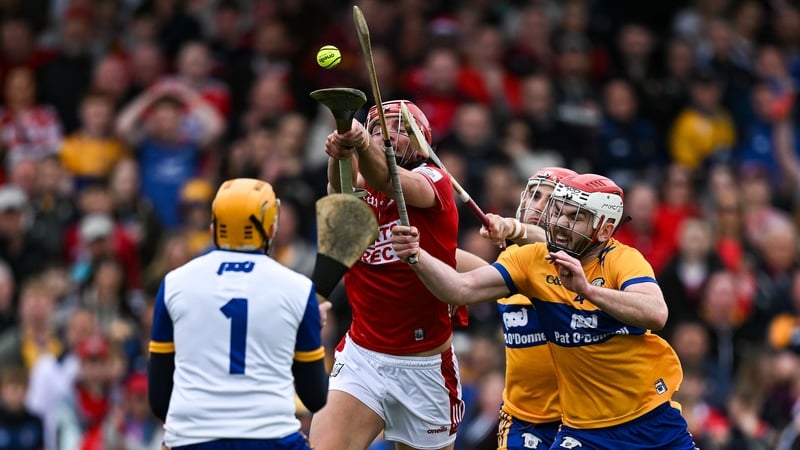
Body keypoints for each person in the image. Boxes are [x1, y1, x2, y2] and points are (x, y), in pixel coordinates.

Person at [391, 173, 698, 449]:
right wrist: (416, 255)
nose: (562, 223)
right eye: (559, 212)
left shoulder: (622, 259)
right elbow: (460, 289)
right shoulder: (530, 260)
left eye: (576, 217)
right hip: (584, 431)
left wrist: (588, 290)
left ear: (604, 231)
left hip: (652, 417)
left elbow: (656, 313)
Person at [310, 100, 463, 450]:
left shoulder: (434, 181)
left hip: (425, 367)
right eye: (379, 129)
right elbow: (340, 191)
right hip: (363, 357)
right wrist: (340, 151)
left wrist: (363, 144)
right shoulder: (364, 183)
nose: (388, 135)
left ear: (423, 141)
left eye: (402, 129)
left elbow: (387, 177)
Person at [147, 178, 328, 449]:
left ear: (214, 226)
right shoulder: (298, 289)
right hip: (271, 439)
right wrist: (304, 327)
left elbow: (160, 400)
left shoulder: (174, 283)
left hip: (192, 440)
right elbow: (314, 397)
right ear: (271, 226)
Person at [481, 167, 576, 449]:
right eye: (534, 196)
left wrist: (513, 228)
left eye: (549, 201)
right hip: (523, 419)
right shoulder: (511, 258)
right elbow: (465, 278)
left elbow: (547, 242)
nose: (537, 205)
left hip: (582, 418)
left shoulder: (578, 260)